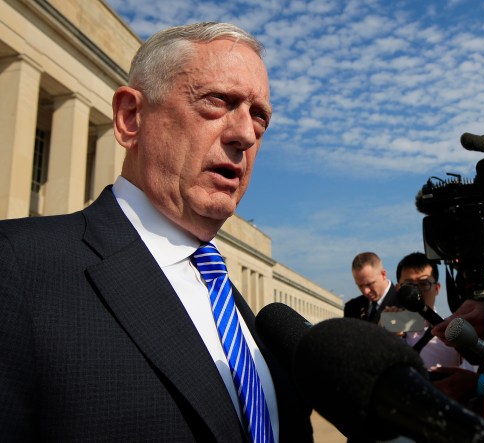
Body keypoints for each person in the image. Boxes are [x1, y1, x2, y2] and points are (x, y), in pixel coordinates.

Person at [0, 22, 312, 442]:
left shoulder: (246, 318)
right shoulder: (17, 268)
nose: (245, 134)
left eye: (259, 117)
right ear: (131, 118)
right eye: (217, 101)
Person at [393, 252, 478, 403]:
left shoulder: (455, 331)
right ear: (398, 288)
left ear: (437, 288)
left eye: (424, 284)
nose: (416, 292)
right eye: (408, 285)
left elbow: (472, 374)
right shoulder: (387, 328)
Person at [345, 251, 401, 324]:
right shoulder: (352, 308)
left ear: (383, 274)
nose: (366, 291)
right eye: (360, 286)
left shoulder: (403, 303)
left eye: (369, 284)